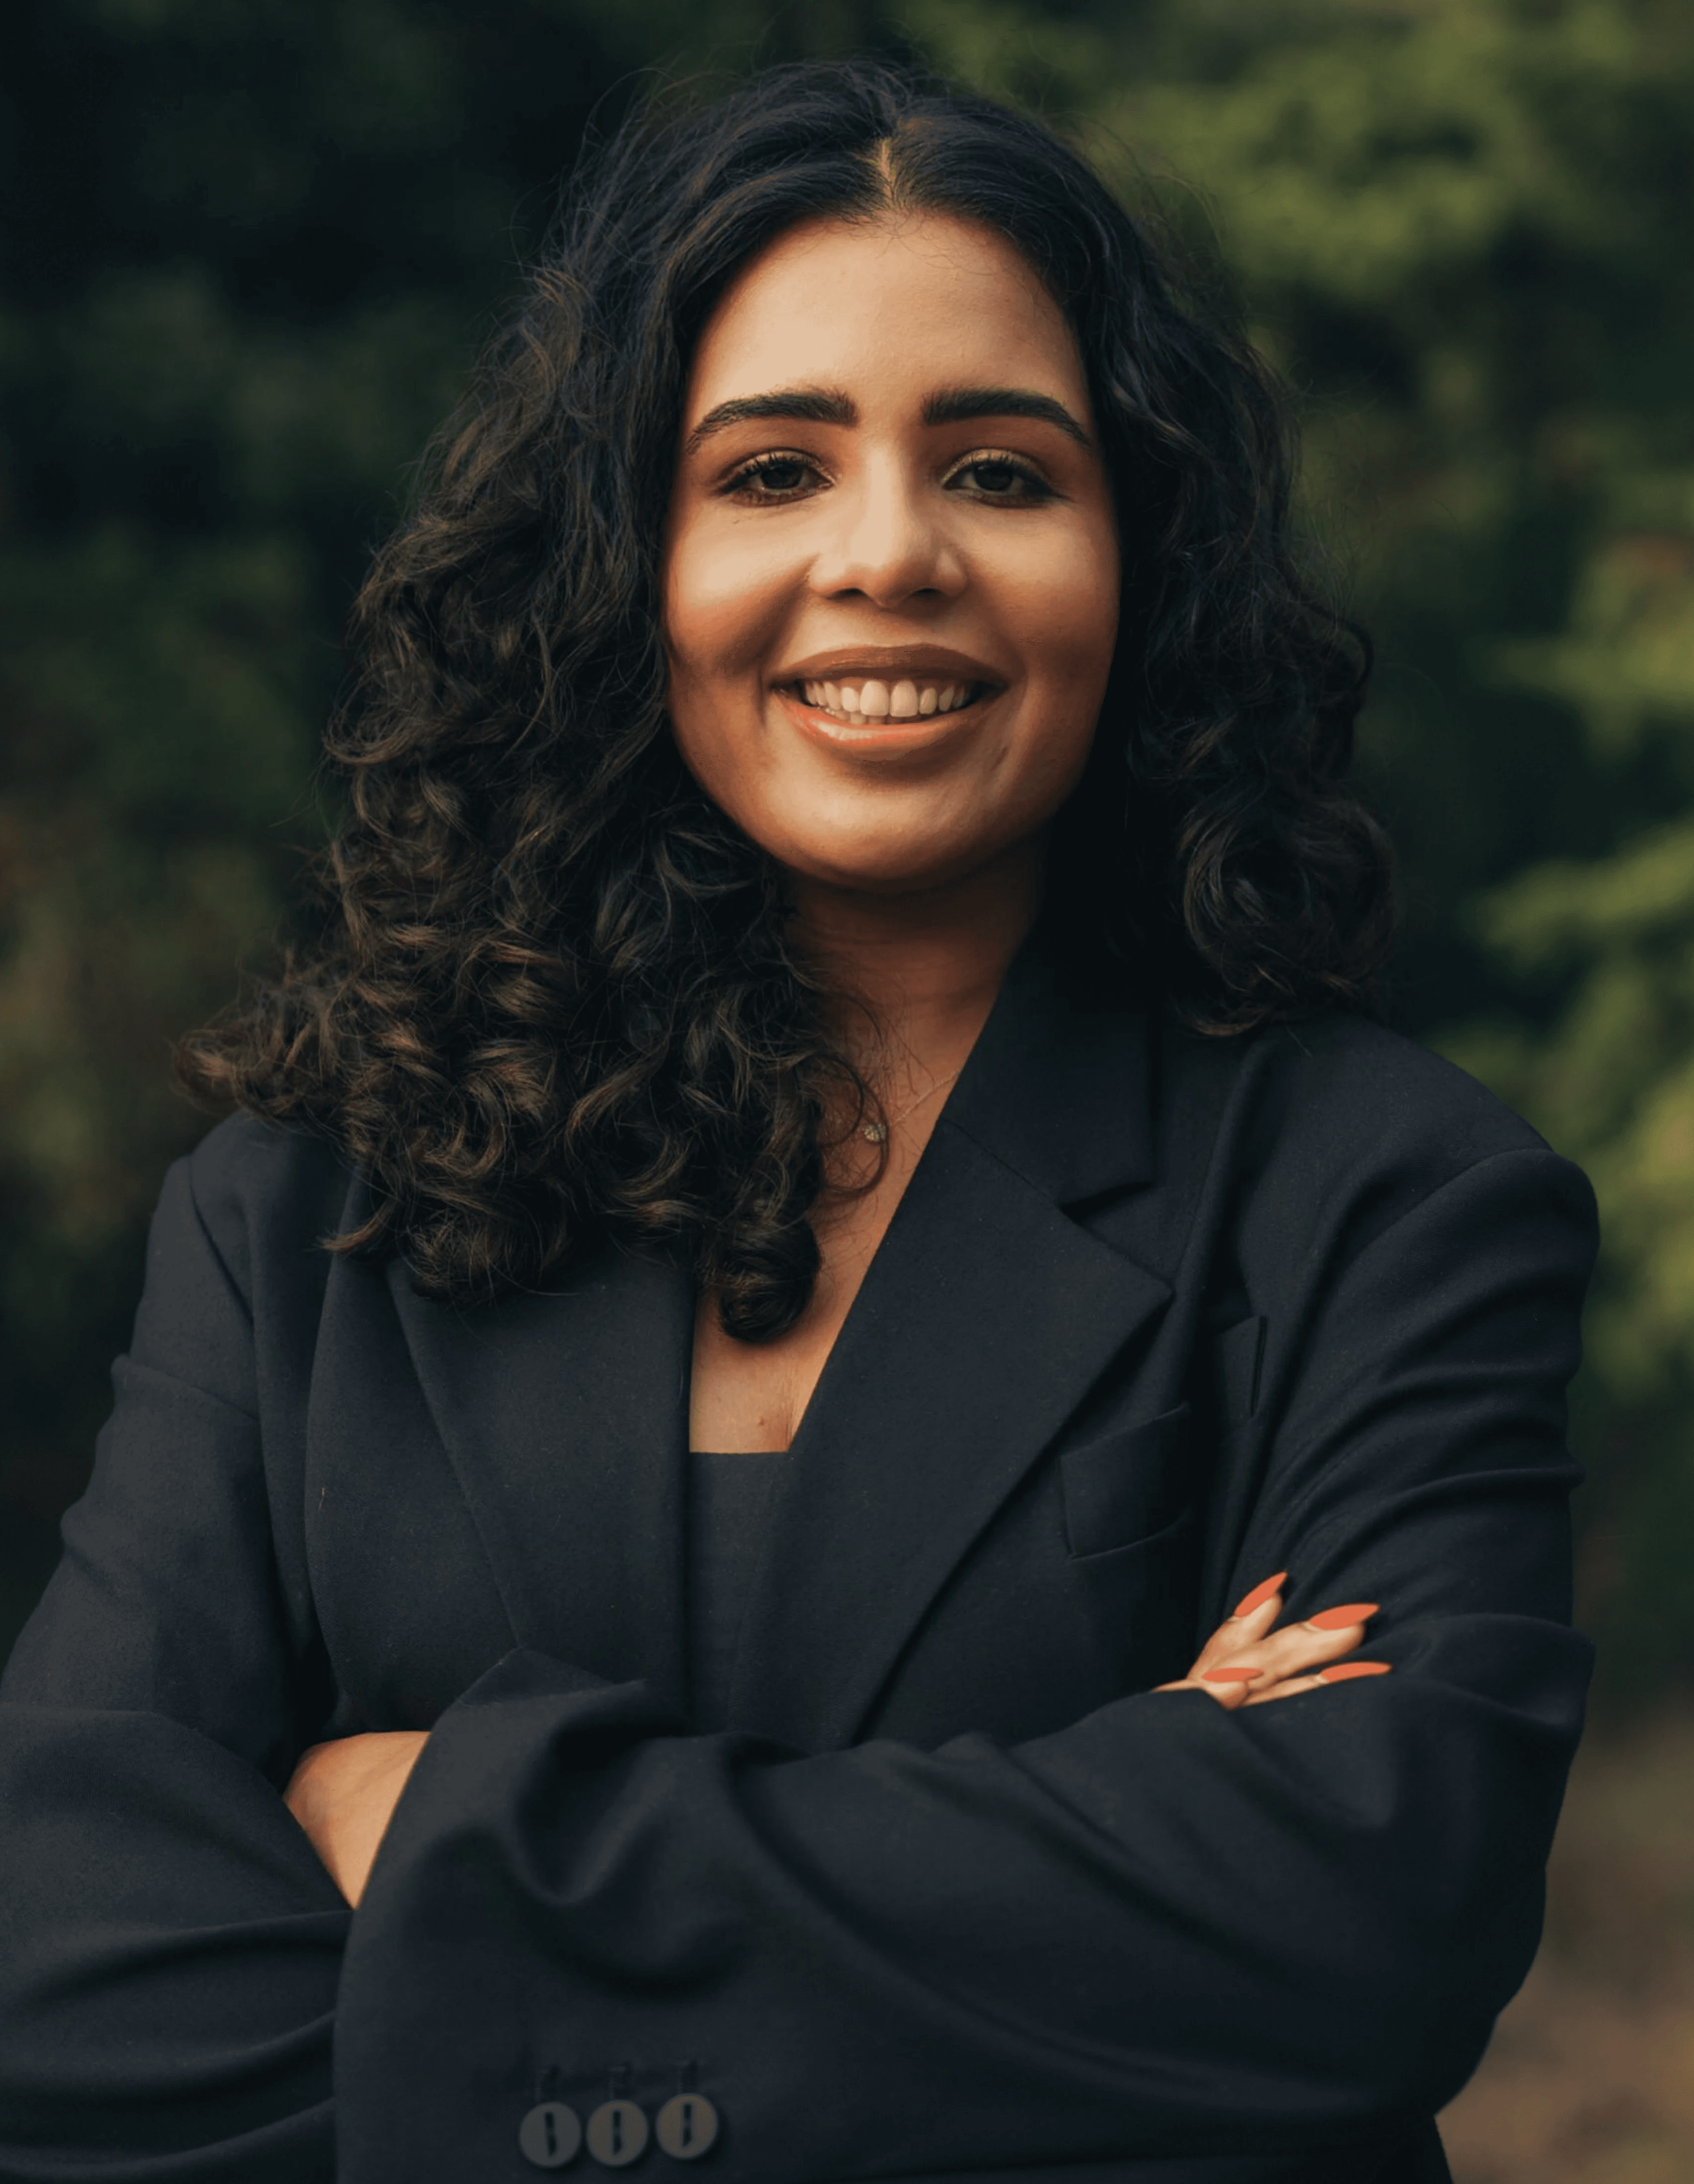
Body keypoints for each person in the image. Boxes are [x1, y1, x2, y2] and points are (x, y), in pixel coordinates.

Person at [0, 60, 1595, 2184]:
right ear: (623, 561)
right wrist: (1102, 1855)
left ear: (1138, 555)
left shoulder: (1385, 1200)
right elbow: (58, 1986)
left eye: (1002, 472)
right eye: (769, 471)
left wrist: (435, 1828)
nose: (890, 554)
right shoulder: (298, 1219)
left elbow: (1357, 1935)